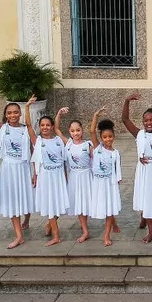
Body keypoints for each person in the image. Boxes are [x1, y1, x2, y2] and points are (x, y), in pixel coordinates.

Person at [0, 87, 33, 249]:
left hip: (23, 168)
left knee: (25, 197)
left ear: (20, 114)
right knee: (13, 200)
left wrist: (36, 171)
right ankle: (19, 236)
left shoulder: (26, 130)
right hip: (9, 169)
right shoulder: (3, 128)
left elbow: (33, 150)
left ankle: (27, 219)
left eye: (16, 112)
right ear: (5, 115)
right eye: (9, 112)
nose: (13, 115)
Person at [123, 94, 152, 244]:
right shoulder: (139, 134)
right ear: (143, 122)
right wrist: (127, 101)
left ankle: (144, 217)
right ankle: (151, 231)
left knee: (151, 199)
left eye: (151, 120)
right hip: (144, 171)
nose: (149, 123)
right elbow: (125, 120)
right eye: (146, 120)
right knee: (145, 197)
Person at [26, 97, 69, 246]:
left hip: (58, 176)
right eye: (42, 125)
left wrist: (58, 115)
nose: (45, 127)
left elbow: (63, 161)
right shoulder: (38, 141)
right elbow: (28, 126)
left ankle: (51, 224)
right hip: (45, 177)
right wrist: (27, 107)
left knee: (59, 204)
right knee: (50, 205)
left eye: (48, 125)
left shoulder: (58, 140)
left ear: (51, 127)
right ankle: (56, 236)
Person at [55, 107, 98, 244]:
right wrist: (59, 115)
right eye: (73, 131)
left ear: (82, 130)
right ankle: (85, 230)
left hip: (86, 176)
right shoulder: (67, 144)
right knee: (77, 203)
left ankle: (86, 226)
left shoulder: (87, 145)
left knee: (85, 202)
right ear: (69, 132)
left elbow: (97, 160)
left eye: (78, 130)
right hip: (74, 177)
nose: (75, 133)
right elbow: (56, 129)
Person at [90, 118, 122, 247]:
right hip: (98, 184)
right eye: (104, 137)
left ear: (113, 137)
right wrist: (96, 115)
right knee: (103, 207)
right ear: (101, 138)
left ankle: (106, 235)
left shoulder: (115, 153)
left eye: (110, 137)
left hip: (110, 184)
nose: (107, 139)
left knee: (109, 208)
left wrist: (117, 182)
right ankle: (114, 223)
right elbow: (91, 131)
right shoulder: (98, 148)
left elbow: (117, 170)